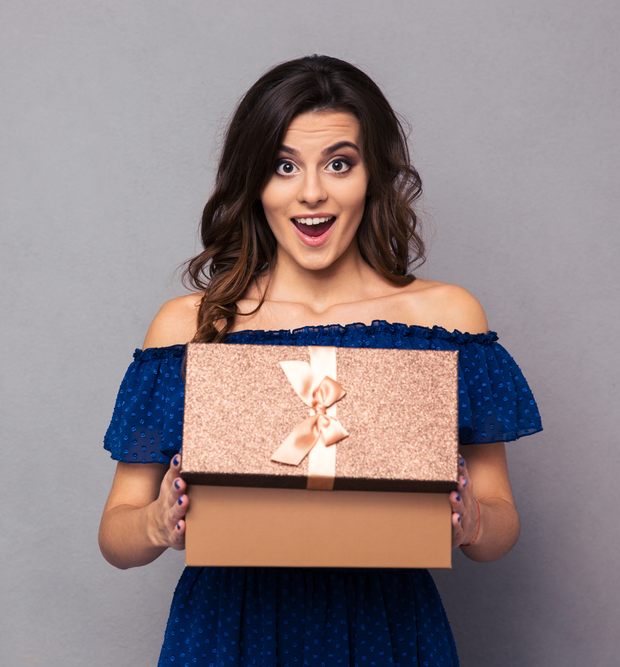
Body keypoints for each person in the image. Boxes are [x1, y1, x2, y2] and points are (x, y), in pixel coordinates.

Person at [98, 55, 542, 666]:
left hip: (387, 625)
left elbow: (499, 523)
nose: (311, 192)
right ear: (254, 181)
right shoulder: (192, 326)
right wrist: (157, 520)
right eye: (284, 166)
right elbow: (116, 533)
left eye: (339, 163)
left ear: (373, 176)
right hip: (231, 629)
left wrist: (469, 522)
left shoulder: (447, 319)